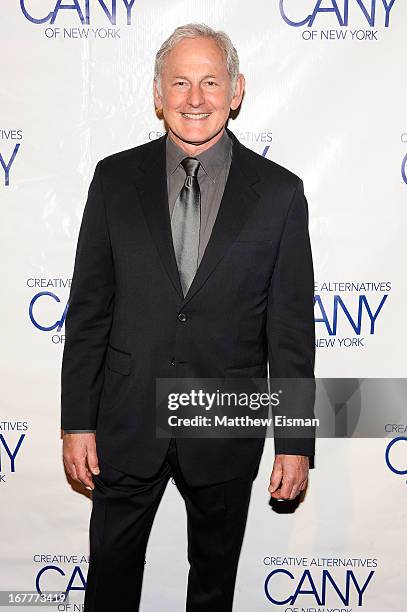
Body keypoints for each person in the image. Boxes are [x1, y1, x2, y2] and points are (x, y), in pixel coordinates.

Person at [61, 22, 315, 612]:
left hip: (226, 423)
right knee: (109, 585)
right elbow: (89, 311)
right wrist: (77, 420)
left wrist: (294, 441)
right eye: (179, 83)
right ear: (157, 94)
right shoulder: (113, 179)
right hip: (124, 424)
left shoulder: (280, 194)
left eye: (209, 82)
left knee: (212, 590)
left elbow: (291, 332)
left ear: (237, 91)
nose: (194, 98)